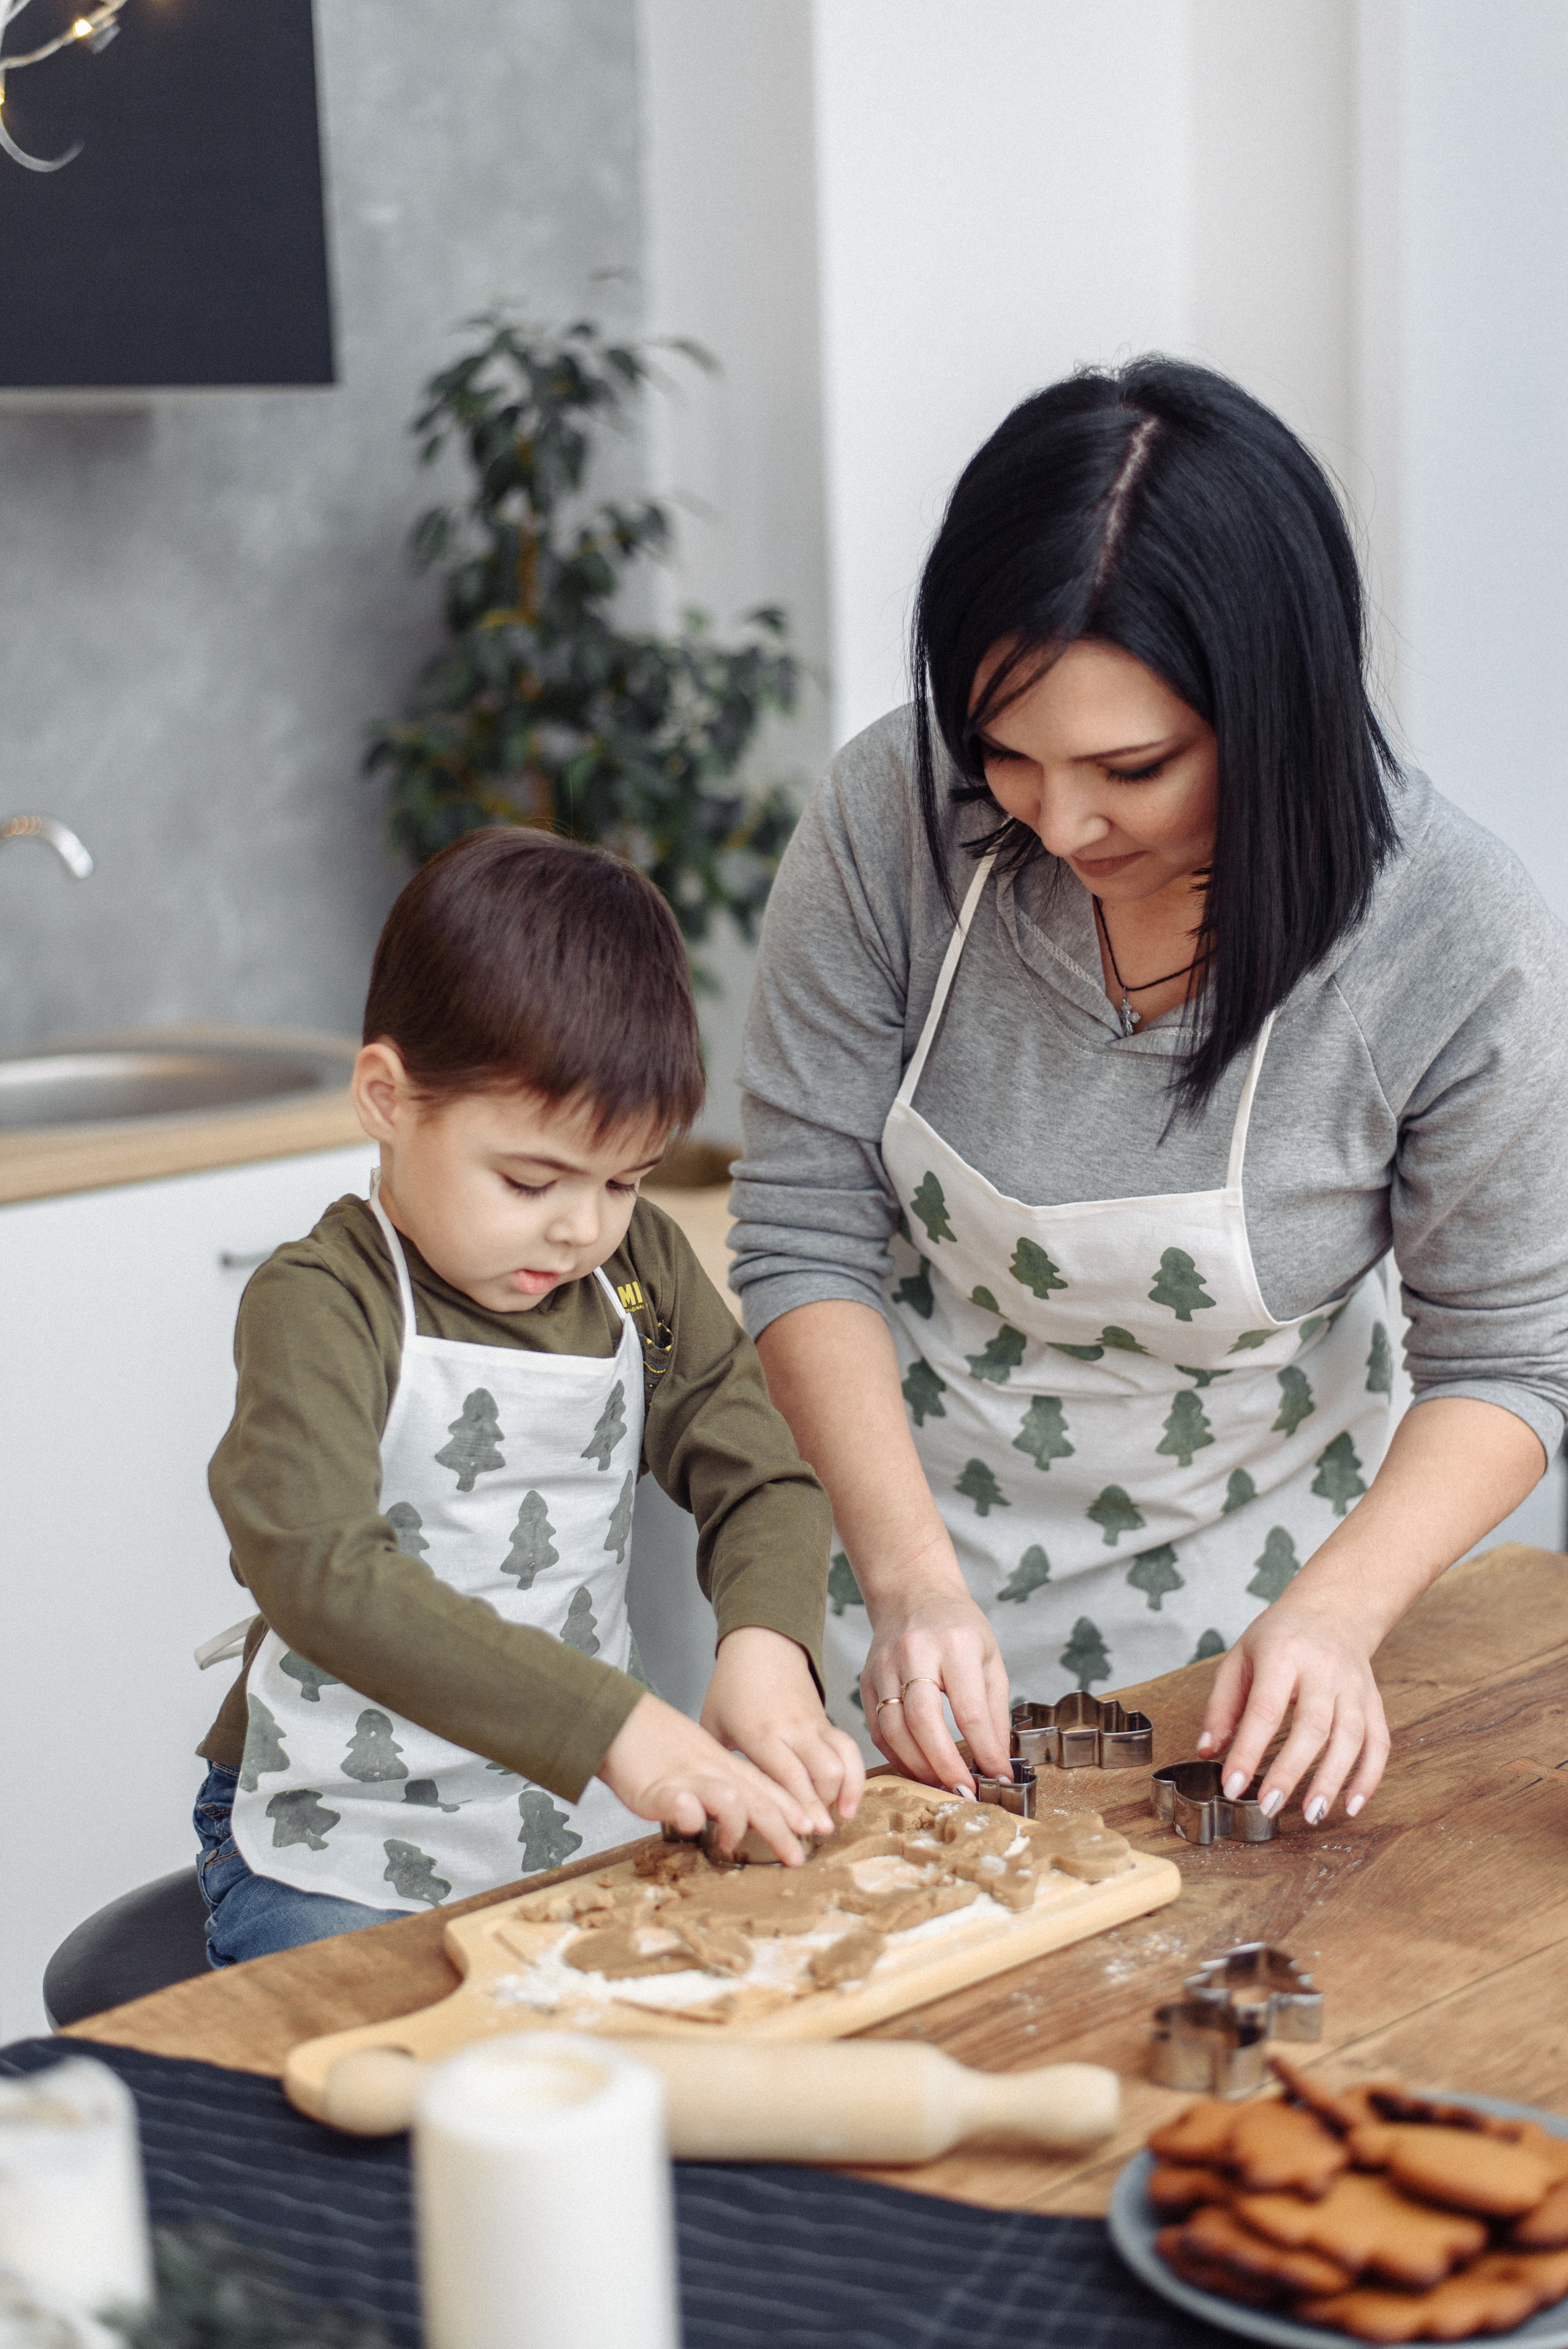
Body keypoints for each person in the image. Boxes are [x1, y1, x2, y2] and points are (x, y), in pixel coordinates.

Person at [732, 357, 1568, 1831]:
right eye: (1007, 754)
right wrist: (909, 1580)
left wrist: (1337, 1618)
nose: (1060, 822)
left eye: (1132, 766)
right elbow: (802, 1234)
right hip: (906, 1579)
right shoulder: (889, 820)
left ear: (1275, 712)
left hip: (1263, 1623)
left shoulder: (1451, 935)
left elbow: (1507, 1359)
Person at [193, 828, 862, 1964]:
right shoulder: (325, 1301)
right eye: (529, 1179)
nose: (581, 1226)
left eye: (625, 1179)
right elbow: (319, 1569)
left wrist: (769, 1647)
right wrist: (617, 1725)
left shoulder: (637, 1272)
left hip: (569, 1821)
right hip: (337, 1837)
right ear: (387, 1097)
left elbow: (761, 1475)